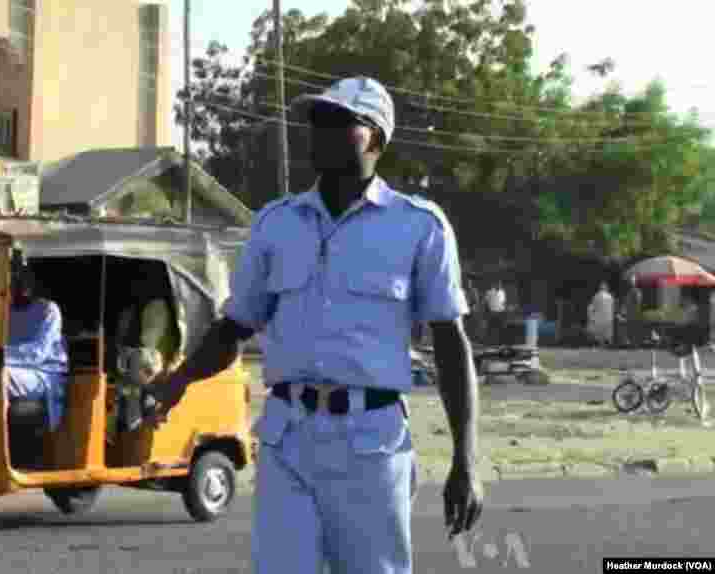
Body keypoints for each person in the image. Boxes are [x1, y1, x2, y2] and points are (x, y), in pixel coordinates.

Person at [144, 76, 483, 574]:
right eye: (316, 121)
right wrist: (177, 381)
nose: (320, 132)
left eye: (339, 122)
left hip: (371, 440)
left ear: (377, 138)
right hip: (288, 437)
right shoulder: (276, 223)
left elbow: (452, 346)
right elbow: (235, 326)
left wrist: (466, 460)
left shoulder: (419, 226)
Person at [109, 272, 179, 436]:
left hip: (147, 365)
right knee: (134, 395)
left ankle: (132, 431)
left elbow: (145, 343)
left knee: (133, 394)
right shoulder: (160, 309)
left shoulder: (153, 307)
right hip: (149, 367)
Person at [4, 266, 69, 436]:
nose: (19, 287)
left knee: (1, 376)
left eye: (22, 281)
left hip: (44, 373)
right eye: (15, 282)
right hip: (10, 368)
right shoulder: (4, 312)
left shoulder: (48, 309)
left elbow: (37, 353)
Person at [587, 281, 614, 346]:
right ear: (606, 288)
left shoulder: (596, 296)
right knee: (606, 335)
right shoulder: (610, 297)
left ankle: (599, 343)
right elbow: (612, 308)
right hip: (608, 319)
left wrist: (591, 317)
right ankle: (607, 344)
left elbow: (591, 307)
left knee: (597, 333)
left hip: (598, 319)